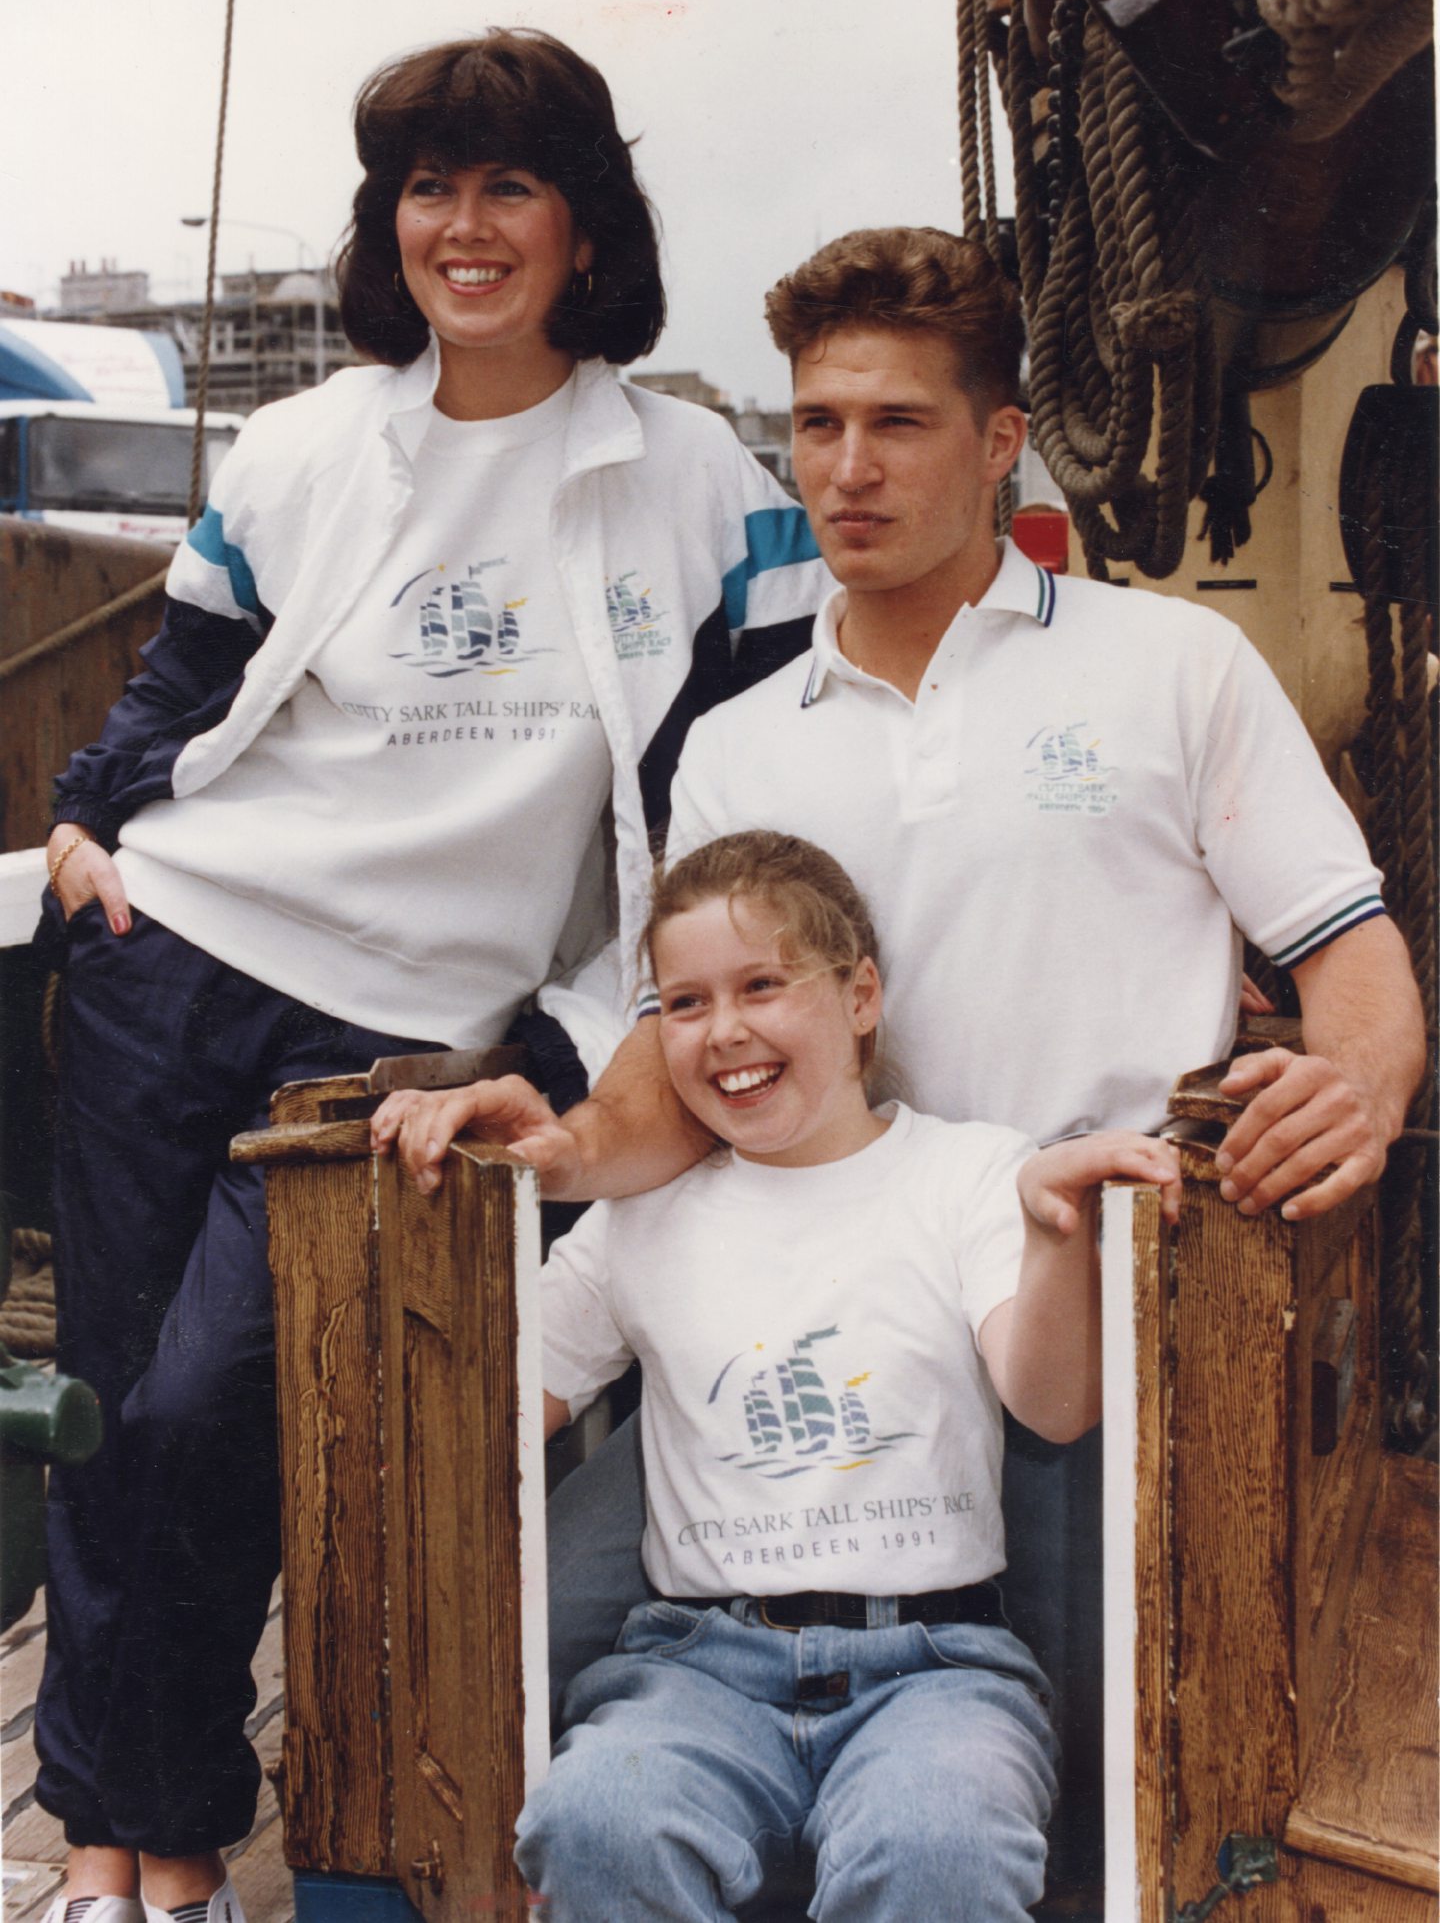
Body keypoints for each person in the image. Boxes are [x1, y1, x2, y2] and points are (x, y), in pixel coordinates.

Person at [377, 229, 1426, 1836]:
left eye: (898, 423)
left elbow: (1353, 964)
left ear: (1003, 440)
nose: (845, 468)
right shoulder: (732, 745)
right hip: (804, 1306)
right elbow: (691, 1058)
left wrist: (1352, 1087)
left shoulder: (1174, 669)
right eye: (816, 424)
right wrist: (574, 1142)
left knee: (1102, 1794)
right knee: (501, 1642)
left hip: (1081, 1318)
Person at [35, 30, 826, 1923]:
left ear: (582, 226)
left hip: (408, 1024)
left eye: (509, 188)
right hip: (184, 953)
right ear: (390, 227)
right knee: (110, 1401)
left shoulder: (694, 473)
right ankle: (117, 1840)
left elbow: (733, 784)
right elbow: (180, 691)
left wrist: (591, 1027)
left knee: (218, 1401)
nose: (464, 230)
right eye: (427, 191)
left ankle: (194, 1805)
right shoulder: (310, 443)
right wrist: (87, 825)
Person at [514, 828, 1181, 1921]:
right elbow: (500, 1409)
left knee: (941, 1839)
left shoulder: (966, 1173)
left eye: (763, 984)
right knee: (597, 1812)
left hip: (934, 1662)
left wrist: (1057, 1229)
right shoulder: (640, 1220)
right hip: (695, 1668)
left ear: (860, 994)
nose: (724, 1028)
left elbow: (1053, 1402)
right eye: (682, 1003)